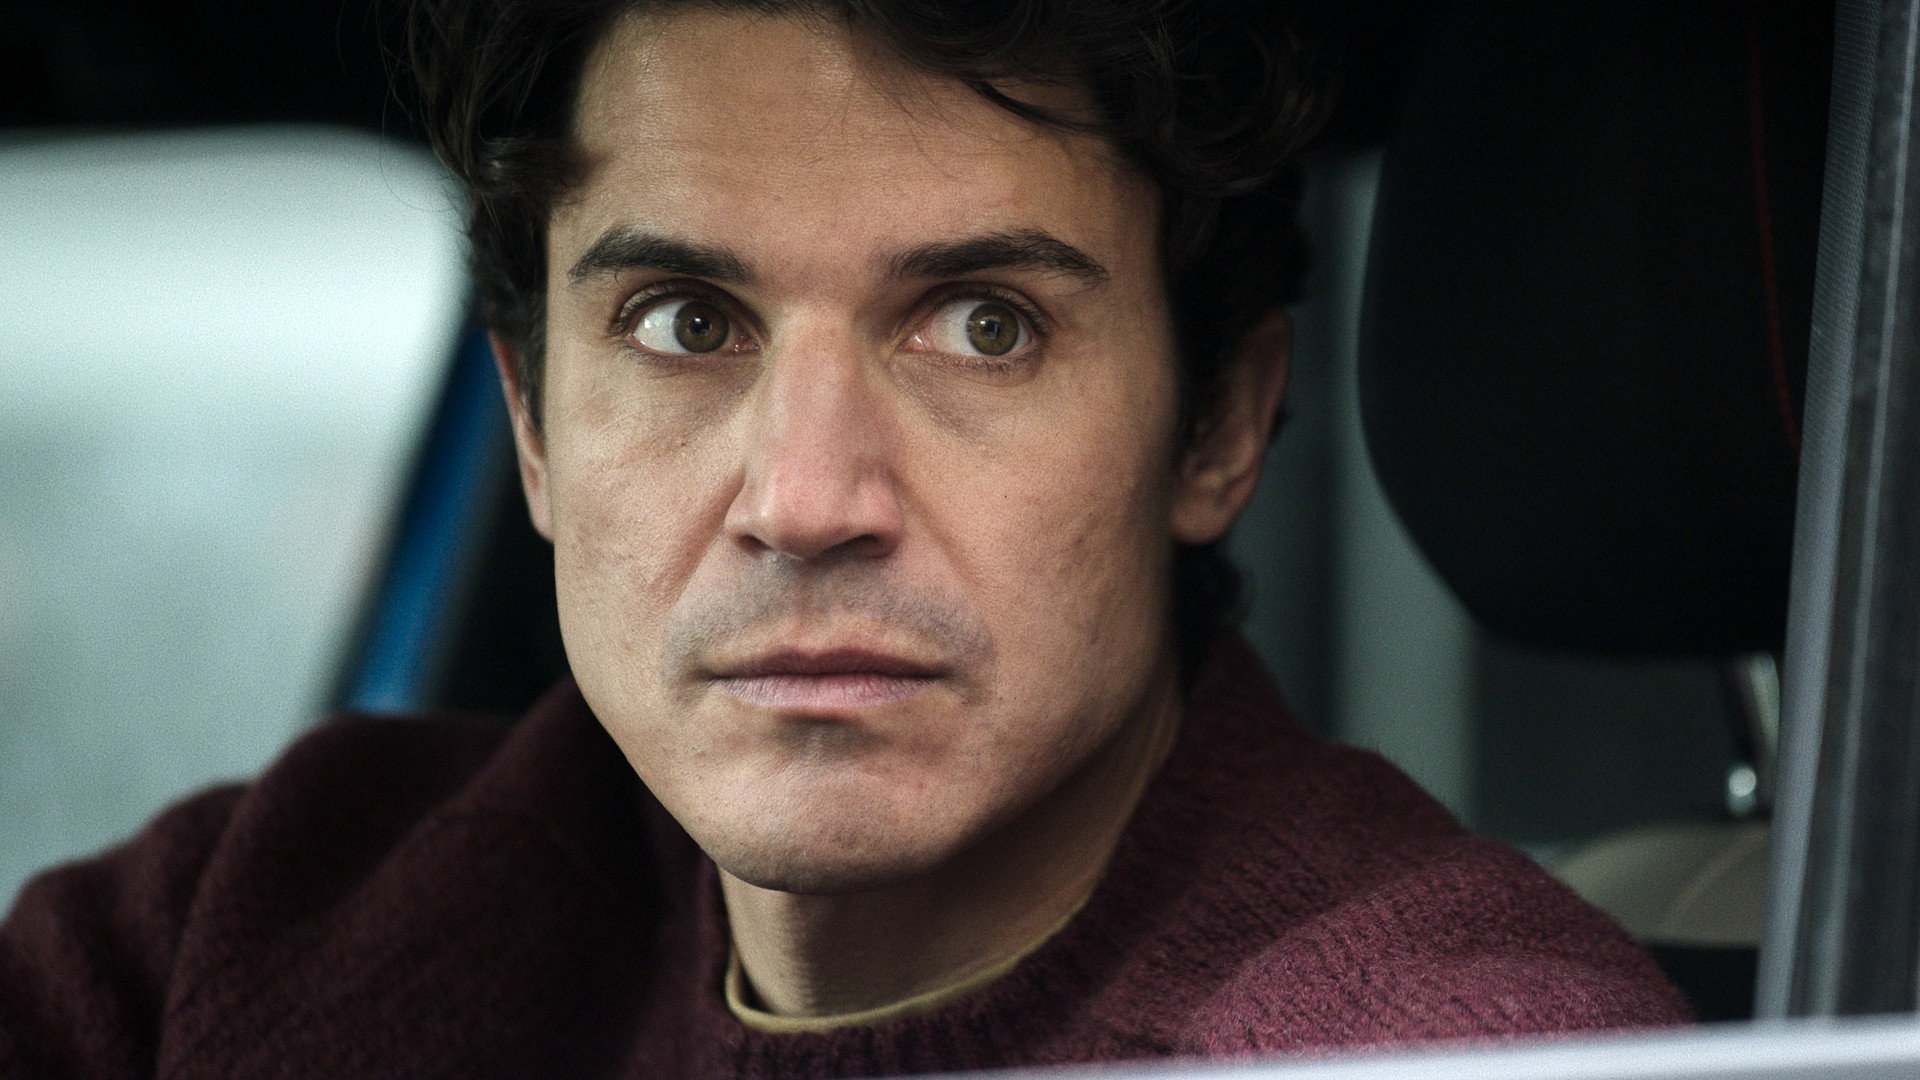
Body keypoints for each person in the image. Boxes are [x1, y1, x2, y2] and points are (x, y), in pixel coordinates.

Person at [0, 1, 1690, 1076]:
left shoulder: (1439, 1047)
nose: (806, 502)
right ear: (535, 427)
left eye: (982, 327)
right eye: (684, 323)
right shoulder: (250, 921)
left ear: (1220, 429)